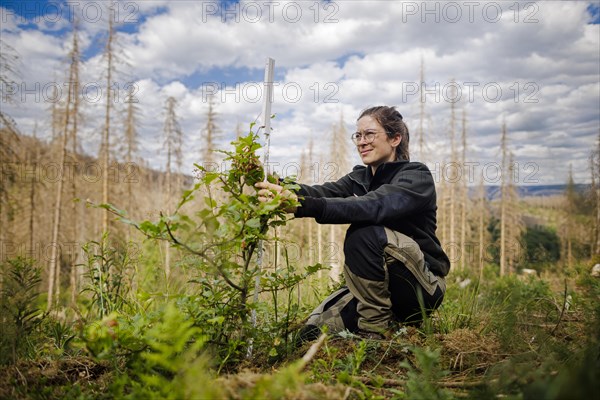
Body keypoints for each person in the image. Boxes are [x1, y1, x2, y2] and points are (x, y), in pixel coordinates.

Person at [255, 105, 450, 340]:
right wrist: (273, 182)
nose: (361, 142)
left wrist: (299, 204)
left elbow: (373, 206)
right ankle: (387, 319)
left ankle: (375, 333)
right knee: (310, 334)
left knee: (365, 231)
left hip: (421, 287)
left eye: (369, 134)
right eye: (358, 135)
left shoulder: (416, 176)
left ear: (395, 138)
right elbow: (322, 193)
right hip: (381, 288)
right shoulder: (360, 177)